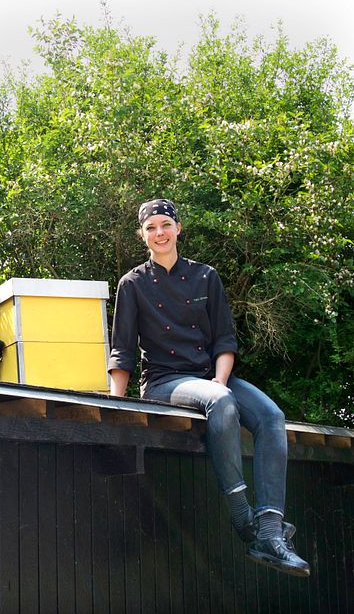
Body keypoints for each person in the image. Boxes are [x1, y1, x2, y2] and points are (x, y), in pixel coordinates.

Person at [107, 198, 310, 577]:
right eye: (151, 228)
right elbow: (122, 351)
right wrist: (116, 407)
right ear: (143, 236)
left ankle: (269, 531)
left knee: (271, 416)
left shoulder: (206, 276)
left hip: (212, 376)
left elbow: (224, 340)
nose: (159, 233)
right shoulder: (132, 283)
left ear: (178, 228)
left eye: (165, 224)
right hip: (165, 381)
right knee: (222, 400)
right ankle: (242, 519)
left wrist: (219, 379)